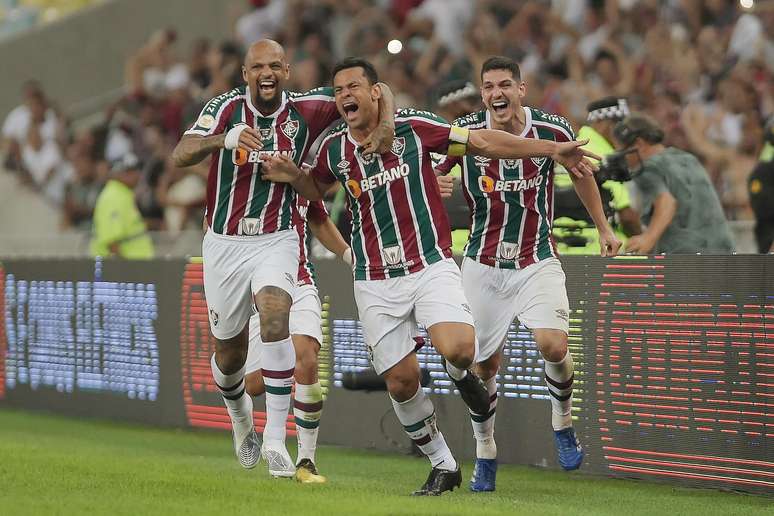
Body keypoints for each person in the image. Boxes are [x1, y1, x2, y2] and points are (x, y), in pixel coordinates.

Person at [261, 57, 599, 495]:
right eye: (338, 89)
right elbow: (315, 194)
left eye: (353, 87)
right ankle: (443, 463)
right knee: (401, 383)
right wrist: (299, 182)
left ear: (376, 92)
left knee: (461, 350)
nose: (344, 95)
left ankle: (462, 379)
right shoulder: (334, 151)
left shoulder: (415, 128)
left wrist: (552, 150)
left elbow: (483, 143)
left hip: (430, 266)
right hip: (374, 279)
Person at [170, 40, 395, 477]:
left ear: (287, 71)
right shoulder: (226, 107)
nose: (266, 73)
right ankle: (240, 422)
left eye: (275, 65)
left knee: (276, 316)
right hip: (224, 243)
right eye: (258, 67)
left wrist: (385, 125)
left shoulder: (309, 109)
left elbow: (374, 91)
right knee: (230, 357)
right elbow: (180, 154)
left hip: (277, 238)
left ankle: (276, 439)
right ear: (245, 72)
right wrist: (223, 139)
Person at [435, 56, 621, 492]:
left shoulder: (553, 130)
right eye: (488, 87)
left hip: (536, 258)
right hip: (481, 264)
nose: (496, 94)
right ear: (482, 94)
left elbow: (580, 173)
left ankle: (562, 423)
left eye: (504, 85)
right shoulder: (468, 132)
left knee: (553, 344)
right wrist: (436, 180)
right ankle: (486, 452)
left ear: (521, 89)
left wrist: (603, 226)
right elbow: (435, 171)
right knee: (483, 365)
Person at [243, 193, 350, 483]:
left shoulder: (300, 177)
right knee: (252, 384)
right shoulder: (242, 176)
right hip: (254, 287)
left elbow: (319, 218)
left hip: (300, 282)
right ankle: (242, 417)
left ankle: (306, 461)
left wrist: (349, 255)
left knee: (306, 358)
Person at [615, 114, 735, 254]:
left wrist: (648, 238)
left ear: (639, 144)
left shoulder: (647, 168)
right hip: (724, 252)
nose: (623, 159)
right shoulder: (688, 159)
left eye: (622, 151)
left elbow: (666, 202)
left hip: (685, 258)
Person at [553, 97, 641, 254]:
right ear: (605, 124)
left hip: (559, 247)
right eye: (620, 125)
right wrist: (645, 237)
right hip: (597, 247)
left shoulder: (572, 148)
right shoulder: (604, 156)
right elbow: (627, 216)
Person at [90, 152, 155, 259]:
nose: (137, 175)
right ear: (117, 174)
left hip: (136, 267)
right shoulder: (113, 197)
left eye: (137, 170)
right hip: (126, 270)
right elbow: (112, 242)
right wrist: (123, 271)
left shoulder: (123, 194)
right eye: (130, 171)